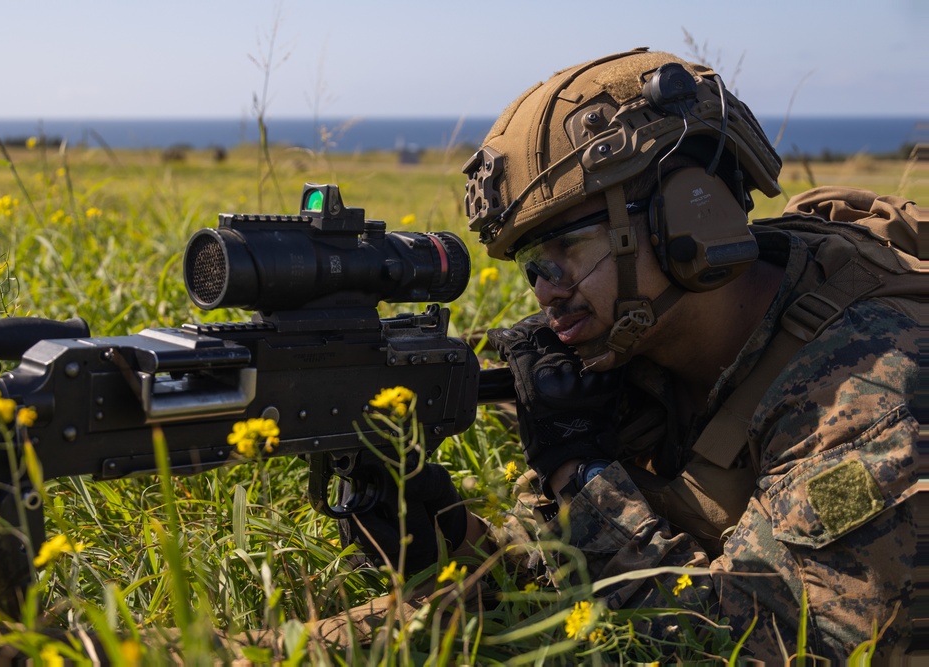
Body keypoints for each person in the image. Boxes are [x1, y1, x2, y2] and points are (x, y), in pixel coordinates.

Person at [339, 48, 922, 661]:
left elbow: (749, 645)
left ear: (689, 214)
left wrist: (580, 473)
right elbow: (555, 585)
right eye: (533, 264)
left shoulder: (872, 392)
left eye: (569, 246)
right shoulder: (641, 351)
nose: (546, 289)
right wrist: (444, 538)